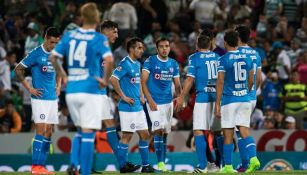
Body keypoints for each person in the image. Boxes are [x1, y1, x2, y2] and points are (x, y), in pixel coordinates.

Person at [49, 3, 113, 175]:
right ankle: (84, 172)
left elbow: (53, 57)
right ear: (97, 17)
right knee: (88, 133)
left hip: (71, 91)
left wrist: (64, 75)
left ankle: (73, 164)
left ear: (82, 17)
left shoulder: (70, 35)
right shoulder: (98, 38)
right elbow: (109, 61)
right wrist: (105, 81)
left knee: (79, 131)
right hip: (89, 90)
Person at [14, 27, 61, 175]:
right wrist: (30, 89)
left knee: (49, 131)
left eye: (56, 43)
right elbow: (18, 69)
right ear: (46, 38)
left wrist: (59, 86)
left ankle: (42, 166)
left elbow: (59, 69)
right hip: (39, 98)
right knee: (40, 130)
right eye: (52, 42)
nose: (54, 45)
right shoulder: (36, 53)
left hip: (53, 98)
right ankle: (35, 167)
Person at [215, 30, 260, 173]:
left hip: (230, 101)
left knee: (227, 133)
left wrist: (217, 103)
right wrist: (245, 91)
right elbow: (252, 78)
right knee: (244, 131)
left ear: (225, 43)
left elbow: (220, 81)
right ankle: (254, 159)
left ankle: (228, 166)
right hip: (245, 99)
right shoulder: (248, 57)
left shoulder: (223, 59)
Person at [175, 34, 220, 173]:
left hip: (203, 97)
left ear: (197, 46)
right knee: (218, 132)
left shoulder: (194, 57)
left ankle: (202, 166)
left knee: (198, 130)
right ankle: (219, 165)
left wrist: (182, 97)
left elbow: (189, 80)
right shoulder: (218, 57)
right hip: (217, 97)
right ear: (210, 45)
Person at [110, 37, 155, 173]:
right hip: (127, 107)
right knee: (127, 136)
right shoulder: (124, 63)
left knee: (145, 135)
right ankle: (123, 166)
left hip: (138, 107)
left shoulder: (136, 64)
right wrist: (123, 96)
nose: (142, 50)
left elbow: (139, 81)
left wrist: (141, 95)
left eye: (142, 48)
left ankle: (146, 166)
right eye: (139, 48)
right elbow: (113, 79)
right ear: (131, 49)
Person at [141, 37, 181, 172]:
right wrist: (150, 100)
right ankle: (160, 163)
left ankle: (163, 162)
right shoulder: (150, 61)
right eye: (162, 46)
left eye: (167, 46)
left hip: (168, 102)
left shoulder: (174, 64)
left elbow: (177, 84)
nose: (165, 49)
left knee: (165, 133)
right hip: (154, 102)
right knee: (158, 130)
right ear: (157, 49)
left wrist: (180, 98)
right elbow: (143, 81)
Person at [235, 25, 262, 172]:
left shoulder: (234, 53)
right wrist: (252, 92)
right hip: (251, 97)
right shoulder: (255, 54)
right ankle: (245, 164)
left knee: (241, 130)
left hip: (238, 97)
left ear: (237, 37)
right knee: (240, 129)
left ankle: (251, 160)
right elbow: (258, 79)